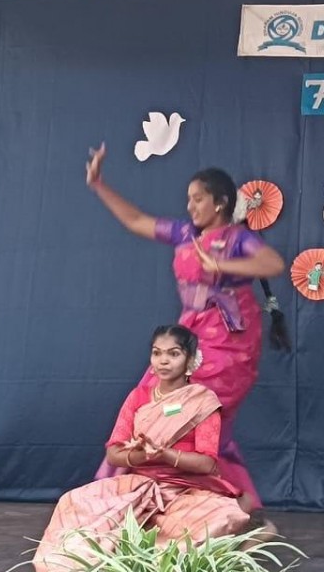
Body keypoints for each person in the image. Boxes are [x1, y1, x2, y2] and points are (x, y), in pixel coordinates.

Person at [84, 142, 286, 537]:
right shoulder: (184, 234)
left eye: (198, 199)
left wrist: (222, 263)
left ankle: (239, 514)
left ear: (220, 202)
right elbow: (136, 220)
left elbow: (273, 263)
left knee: (197, 416)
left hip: (228, 344)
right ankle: (129, 509)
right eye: (189, 199)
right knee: (155, 410)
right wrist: (99, 185)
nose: (190, 206)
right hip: (191, 336)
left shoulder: (236, 239)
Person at [33, 325, 252, 572]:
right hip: (140, 487)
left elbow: (207, 463)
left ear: (191, 360)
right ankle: (85, 571)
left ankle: (159, 568)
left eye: (173, 354)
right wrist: (141, 455)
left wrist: (165, 454)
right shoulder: (138, 397)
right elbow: (114, 453)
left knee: (220, 517)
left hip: (187, 491)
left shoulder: (202, 402)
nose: (163, 361)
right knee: (73, 502)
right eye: (157, 353)